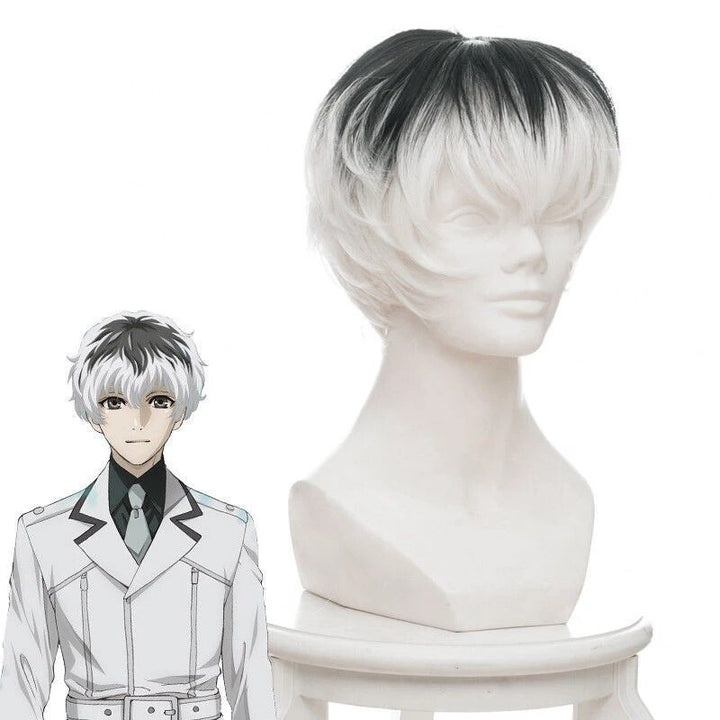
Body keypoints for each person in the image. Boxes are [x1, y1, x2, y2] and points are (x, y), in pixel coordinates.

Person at [291, 30, 620, 631]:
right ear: (374, 220)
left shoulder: (568, 502)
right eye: (476, 217)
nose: (532, 251)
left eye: (557, 214)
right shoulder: (340, 509)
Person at [0, 311, 276, 719]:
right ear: (93, 413)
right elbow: (21, 682)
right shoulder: (44, 534)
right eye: (115, 402)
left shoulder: (228, 531)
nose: (138, 422)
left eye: (158, 401)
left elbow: (251, 678)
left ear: (179, 411)